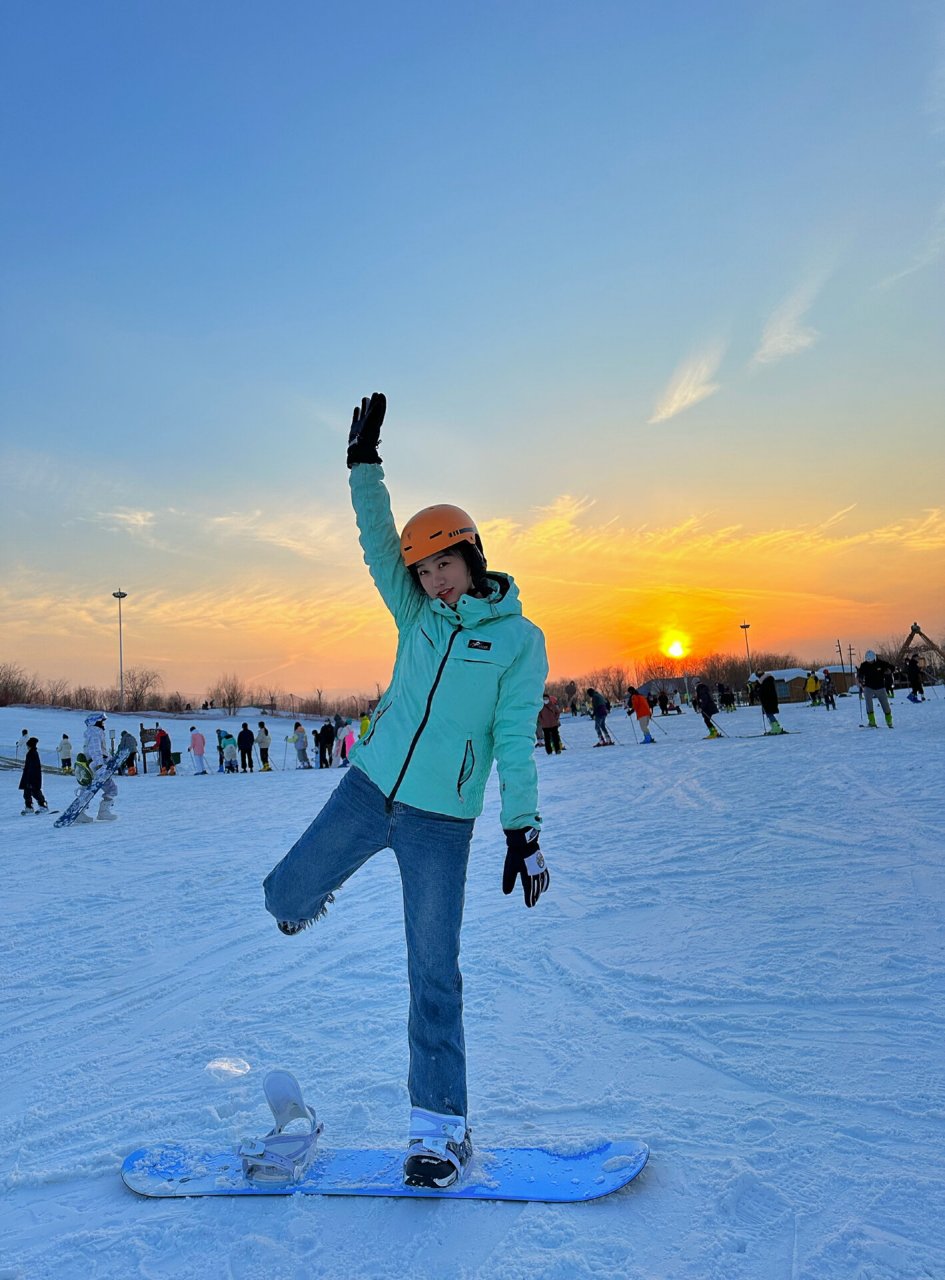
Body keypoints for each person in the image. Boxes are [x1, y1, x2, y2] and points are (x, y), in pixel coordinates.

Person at [263, 391, 549, 1191]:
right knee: (281, 894)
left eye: (444, 565)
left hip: (439, 820)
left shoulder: (518, 642)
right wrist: (363, 463)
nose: (431, 581)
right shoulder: (413, 616)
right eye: (421, 571)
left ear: (473, 559)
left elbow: (512, 738)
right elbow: (372, 540)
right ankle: (296, 903)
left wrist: (521, 828)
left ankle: (438, 1132)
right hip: (369, 787)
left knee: (433, 972)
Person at [82, 712, 119, 820]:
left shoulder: (94, 732)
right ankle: (104, 812)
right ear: (96, 722)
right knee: (111, 789)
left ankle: (80, 813)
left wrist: (110, 759)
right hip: (98, 765)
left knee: (89, 789)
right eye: (102, 721)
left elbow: (101, 750)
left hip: (97, 764)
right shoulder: (95, 732)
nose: (103, 724)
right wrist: (99, 765)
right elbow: (95, 750)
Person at [857, 650, 894, 729]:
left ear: (874, 658)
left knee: (885, 704)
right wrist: (860, 678)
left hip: (880, 687)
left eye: (871, 660)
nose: (870, 662)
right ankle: (872, 721)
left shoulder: (881, 663)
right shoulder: (864, 665)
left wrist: (890, 671)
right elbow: (860, 673)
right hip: (868, 687)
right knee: (869, 704)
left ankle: (889, 720)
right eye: (868, 661)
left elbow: (892, 667)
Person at [18, 737, 49, 814]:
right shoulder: (31, 753)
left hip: (33, 777)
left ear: (30, 746)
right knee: (27, 792)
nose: (27, 747)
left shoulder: (33, 754)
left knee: (35, 792)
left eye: (28, 745)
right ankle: (29, 807)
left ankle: (43, 806)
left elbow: (33, 767)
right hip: (28, 777)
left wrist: (30, 778)